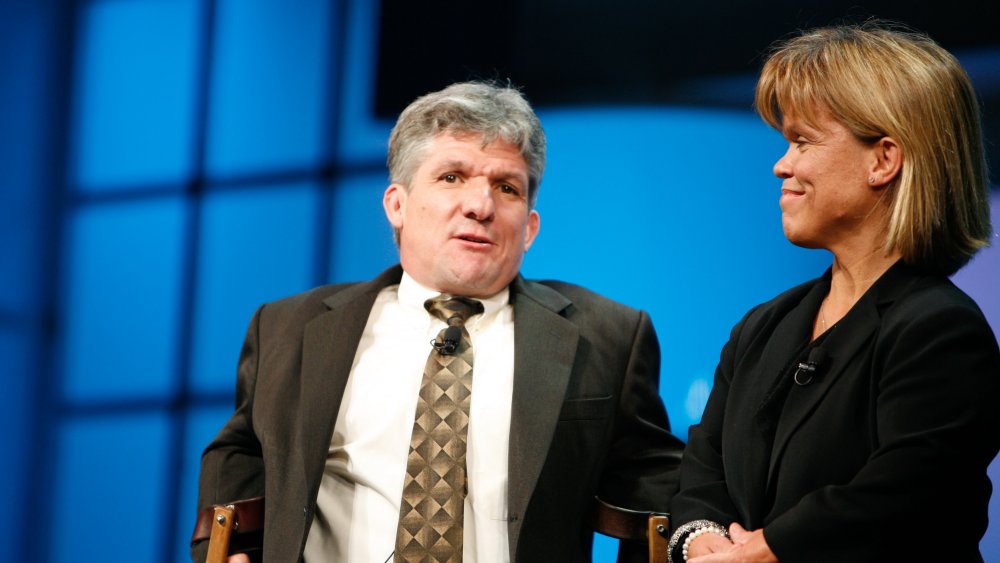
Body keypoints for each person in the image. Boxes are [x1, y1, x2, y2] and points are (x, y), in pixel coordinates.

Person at [191, 81, 684, 563]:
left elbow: (654, 482)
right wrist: (232, 551)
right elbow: (240, 449)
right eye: (452, 177)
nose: (480, 205)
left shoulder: (607, 337)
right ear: (397, 205)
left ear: (530, 226)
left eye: (506, 187)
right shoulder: (289, 328)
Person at [667, 22, 1000, 563]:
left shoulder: (939, 330)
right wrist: (703, 539)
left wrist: (766, 551)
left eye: (802, 141)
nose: (782, 165)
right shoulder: (763, 326)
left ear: (883, 160)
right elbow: (702, 470)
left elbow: (902, 497)